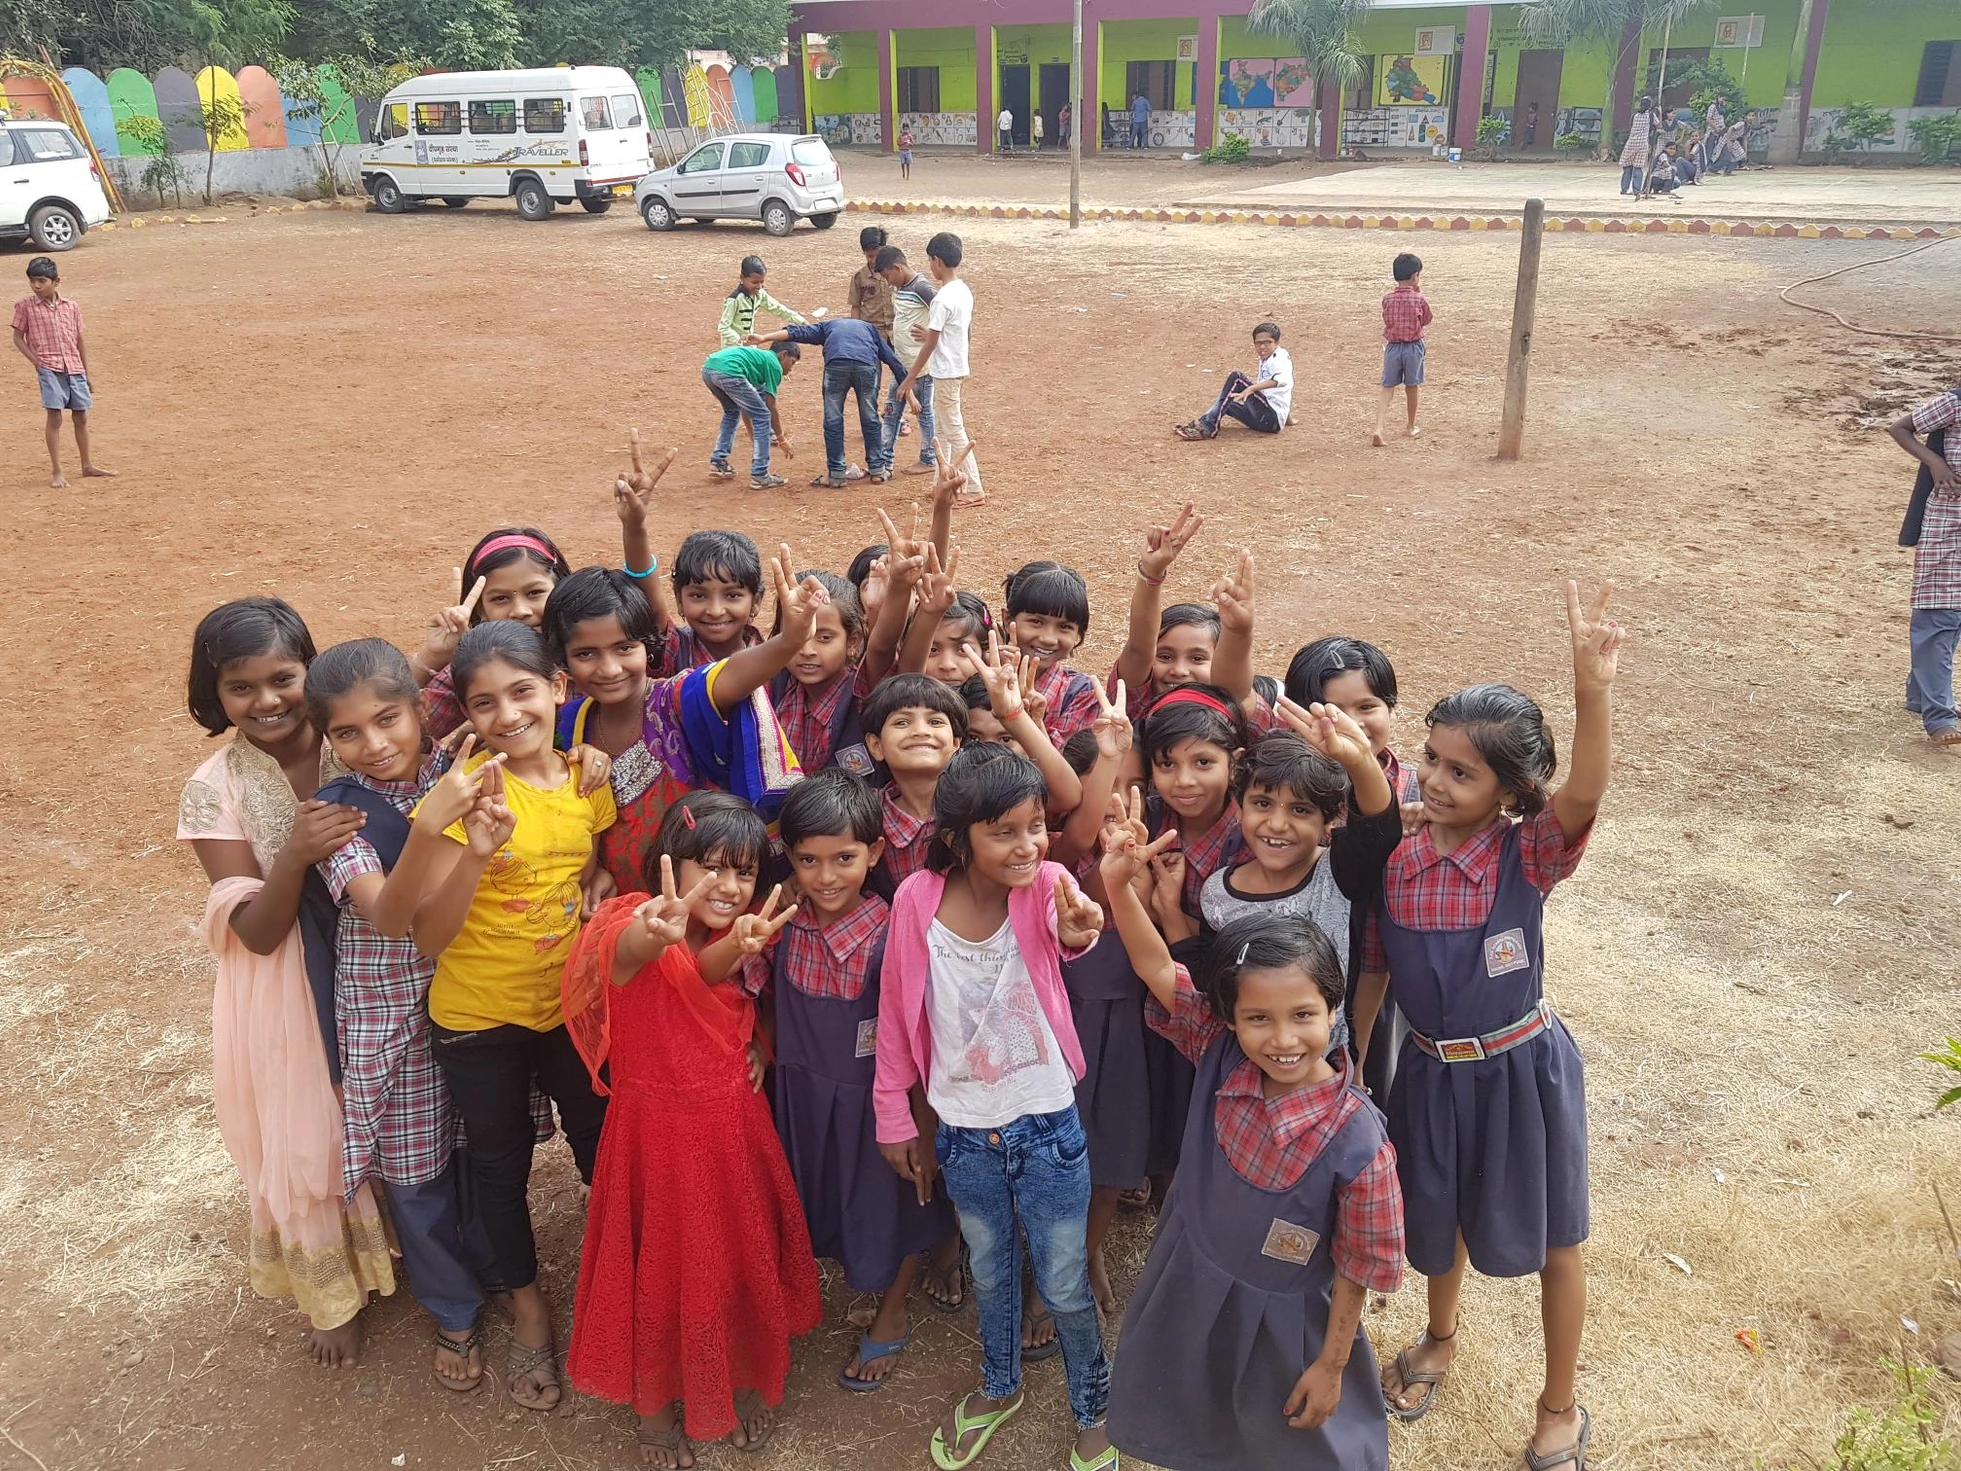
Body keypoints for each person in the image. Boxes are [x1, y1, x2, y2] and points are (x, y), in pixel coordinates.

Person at [1374, 583, 1622, 1471]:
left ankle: (1560, 1403)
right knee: (1434, 1219)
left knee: (1556, 1237)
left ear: (1512, 791)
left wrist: (1590, 691)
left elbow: (1584, 789)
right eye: (1431, 760)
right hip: (1430, 1071)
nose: (1436, 781)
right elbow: (1371, 971)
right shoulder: (1392, 852)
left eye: (1463, 771)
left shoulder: (1528, 853)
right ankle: (1439, 1335)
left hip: (1523, 1070)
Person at [1099, 838, 1405, 1470]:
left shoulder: (1358, 1143)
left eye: (1303, 1014)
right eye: (1258, 1018)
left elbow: (1360, 1266)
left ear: (1333, 1007)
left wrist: (1332, 1364)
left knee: (1286, 1441)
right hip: (1193, 1274)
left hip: (1287, 1327)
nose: (1283, 1038)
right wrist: (1118, 889)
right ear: (1229, 1019)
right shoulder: (1220, 1052)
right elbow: (1159, 969)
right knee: (1200, 1414)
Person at [873, 744, 1116, 1471]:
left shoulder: (1045, 883)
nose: (1028, 843)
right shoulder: (916, 899)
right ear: (957, 836)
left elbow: (1068, 929)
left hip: (1047, 1125)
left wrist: (1079, 931)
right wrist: (894, 1113)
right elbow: (893, 1016)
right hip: (964, 1133)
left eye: (1035, 824)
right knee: (989, 1265)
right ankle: (999, 1385)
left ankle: (1093, 1409)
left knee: (1065, 1279)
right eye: (1003, 829)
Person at [563, 793, 822, 1464]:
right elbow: (635, 954)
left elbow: (696, 983)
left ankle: (725, 1385)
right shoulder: (632, 918)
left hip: (729, 1129)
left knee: (727, 1263)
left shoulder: (718, 933)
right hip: (655, 1139)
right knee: (658, 1273)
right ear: (669, 865)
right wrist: (654, 930)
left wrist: (734, 950)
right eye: (713, 867)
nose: (731, 887)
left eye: (744, 872)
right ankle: (654, 1416)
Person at [405, 620, 618, 1412]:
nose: (507, 713)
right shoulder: (466, 793)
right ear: (465, 712)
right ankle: (530, 1310)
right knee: (500, 1165)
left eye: (522, 691)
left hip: (566, 1003)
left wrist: (592, 881)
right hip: (478, 1016)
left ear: (559, 688)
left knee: (602, 1141)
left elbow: (585, 855)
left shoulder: (587, 777)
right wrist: (475, 853)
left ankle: (614, 1278)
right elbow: (428, 932)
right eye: (483, 701)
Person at [178, 598, 396, 1368]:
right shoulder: (215, 787)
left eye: (283, 678)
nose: (267, 701)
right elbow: (255, 930)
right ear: (214, 694)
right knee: (310, 1127)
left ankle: (410, 1241)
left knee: (393, 1096)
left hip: (378, 958)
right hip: (282, 987)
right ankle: (333, 1289)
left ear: (311, 669)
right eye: (241, 687)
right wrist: (296, 853)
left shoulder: (354, 736)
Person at [306, 639, 519, 1392]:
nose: (375, 743)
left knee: (478, 1147)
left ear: (421, 709)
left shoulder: (459, 767)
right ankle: (453, 1304)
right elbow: (389, 918)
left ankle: (495, 1265)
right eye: (347, 733)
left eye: (388, 718)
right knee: (415, 1172)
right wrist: (429, 827)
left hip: (475, 999)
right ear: (328, 740)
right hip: (391, 1018)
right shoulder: (337, 815)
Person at [752, 771, 956, 1391]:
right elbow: (756, 997)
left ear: (873, 854)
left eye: (844, 858)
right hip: (804, 1101)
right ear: (789, 858)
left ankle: (893, 1309)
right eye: (808, 860)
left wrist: (920, 1124)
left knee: (893, 1207)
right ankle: (856, 1282)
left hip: (878, 1106)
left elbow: (922, 1041)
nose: (826, 876)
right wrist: (762, 1049)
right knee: (827, 1203)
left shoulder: (898, 933)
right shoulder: (781, 924)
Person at [541, 553, 825, 893]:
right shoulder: (571, 723)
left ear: (647, 647)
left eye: (624, 648)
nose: (610, 668)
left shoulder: (677, 699)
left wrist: (789, 641)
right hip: (621, 917)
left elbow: (732, 674)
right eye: (586, 653)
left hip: (707, 911)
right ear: (564, 660)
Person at [1199, 706, 1404, 1061]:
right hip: (1248, 1063)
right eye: (1262, 803)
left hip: (1331, 1064)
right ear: (1238, 807)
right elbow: (1216, 983)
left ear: (1329, 821)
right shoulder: (1217, 893)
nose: (1277, 825)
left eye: (1300, 810)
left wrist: (1358, 762)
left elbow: (1380, 828)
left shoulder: (1338, 873)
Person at [413, 527, 575, 740]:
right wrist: (432, 657)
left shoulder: (585, 649)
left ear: (560, 588)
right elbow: (398, 732)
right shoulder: (478, 661)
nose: (520, 611)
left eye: (534, 593)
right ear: (481, 610)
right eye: (500, 598)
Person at [749, 316, 909, 488]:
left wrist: (764, 338)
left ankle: (837, 474)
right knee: (870, 417)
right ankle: (877, 470)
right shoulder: (869, 329)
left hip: (837, 364)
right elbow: (891, 359)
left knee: (833, 419)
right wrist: (908, 388)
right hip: (866, 365)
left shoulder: (826, 327)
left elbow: (796, 332)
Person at [1889, 387, 1961, 744]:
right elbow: (1900, 427)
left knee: (1954, 614)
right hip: (1948, 521)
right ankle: (1940, 718)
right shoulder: (1955, 402)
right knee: (1939, 614)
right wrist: (1935, 462)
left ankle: (1921, 695)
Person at [896, 232, 983, 508]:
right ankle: (940, 483)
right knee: (944, 429)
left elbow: (931, 343)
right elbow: (961, 331)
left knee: (953, 428)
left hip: (945, 370)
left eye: (930, 261)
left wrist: (909, 379)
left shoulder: (942, 298)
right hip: (956, 366)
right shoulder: (963, 291)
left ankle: (974, 488)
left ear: (937, 260)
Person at [12, 255, 113, 488]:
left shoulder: (72, 307)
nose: (36, 286)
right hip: (49, 367)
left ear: (56, 282)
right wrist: (36, 361)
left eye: (41, 281)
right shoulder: (25, 307)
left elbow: (79, 340)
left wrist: (86, 374)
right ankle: (57, 470)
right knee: (55, 416)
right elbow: (17, 337)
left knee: (81, 416)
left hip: (73, 366)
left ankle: (87, 465)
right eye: (32, 281)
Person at [1002, 560, 1103, 746]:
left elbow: (1068, 771)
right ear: (1008, 620)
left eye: (1064, 627)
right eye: (1036, 622)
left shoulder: (1081, 695)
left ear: (1078, 635)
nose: (1049, 638)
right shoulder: (978, 675)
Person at [700, 338, 799, 490]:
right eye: (792, 362)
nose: (791, 368)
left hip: (709, 369)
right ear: (783, 355)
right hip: (729, 370)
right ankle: (760, 475)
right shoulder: (774, 366)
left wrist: (754, 436)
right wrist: (781, 439)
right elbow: (770, 407)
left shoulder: (758, 361)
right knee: (763, 416)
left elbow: (747, 406)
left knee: (732, 412)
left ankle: (718, 462)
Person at [876, 244, 939, 475]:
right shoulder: (902, 288)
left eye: (887, 276)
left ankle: (929, 457)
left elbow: (945, 312)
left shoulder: (922, 288)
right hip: (902, 366)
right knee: (892, 411)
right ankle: (884, 460)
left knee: (922, 412)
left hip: (919, 368)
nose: (887, 281)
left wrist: (933, 335)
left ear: (897, 267)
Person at [1176, 320, 1294, 440]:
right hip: (1265, 422)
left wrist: (1251, 388)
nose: (1262, 347)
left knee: (1237, 378)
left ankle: (1208, 428)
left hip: (1270, 419)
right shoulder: (1266, 357)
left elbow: (1281, 381)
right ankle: (1202, 423)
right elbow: (1284, 391)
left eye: (1267, 342)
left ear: (1277, 342)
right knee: (1227, 401)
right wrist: (1287, 419)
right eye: (1258, 343)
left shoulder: (1280, 358)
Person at [1374, 252, 1431, 447]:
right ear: (1415, 276)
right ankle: (1410, 425)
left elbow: (1386, 319)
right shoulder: (1419, 299)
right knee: (1412, 386)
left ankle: (1379, 428)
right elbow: (1426, 319)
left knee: (1387, 388)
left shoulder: (1387, 299)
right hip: (1413, 347)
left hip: (1393, 348)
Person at [717, 255, 805, 346]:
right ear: (742, 278)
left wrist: (801, 321)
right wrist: (740, 341)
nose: (759, 286)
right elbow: (724, 328)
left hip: (749, 344)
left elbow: (778, 309)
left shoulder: (760, 295)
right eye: (754, 282)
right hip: (732, 348)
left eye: (762, 282)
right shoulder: (734, 300)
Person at [847, 225, 896, 342]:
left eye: (877, 256)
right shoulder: (859, 277)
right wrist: (857, 331)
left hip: (895, 331)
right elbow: (855, 306)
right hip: (871, 333)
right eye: (870, 256)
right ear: (863, 252)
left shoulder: (895, 272)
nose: (874, 260)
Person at [1618, 95, 1656, 195]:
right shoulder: (1651, 115)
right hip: (1642, 143)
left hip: (1631, 142)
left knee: (1627, 167)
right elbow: (1657, 124)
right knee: (1638, 168)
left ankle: (1624, 189)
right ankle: (1636, 190)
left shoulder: (1635, 115)